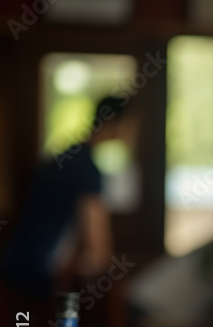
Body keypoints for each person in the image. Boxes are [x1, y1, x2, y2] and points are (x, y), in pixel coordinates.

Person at [0, 95, 134, 297]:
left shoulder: (69, 157)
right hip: (35, 275)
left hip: (17, 264)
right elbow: (99, 250)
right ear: (116, 122)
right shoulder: (85, 169)